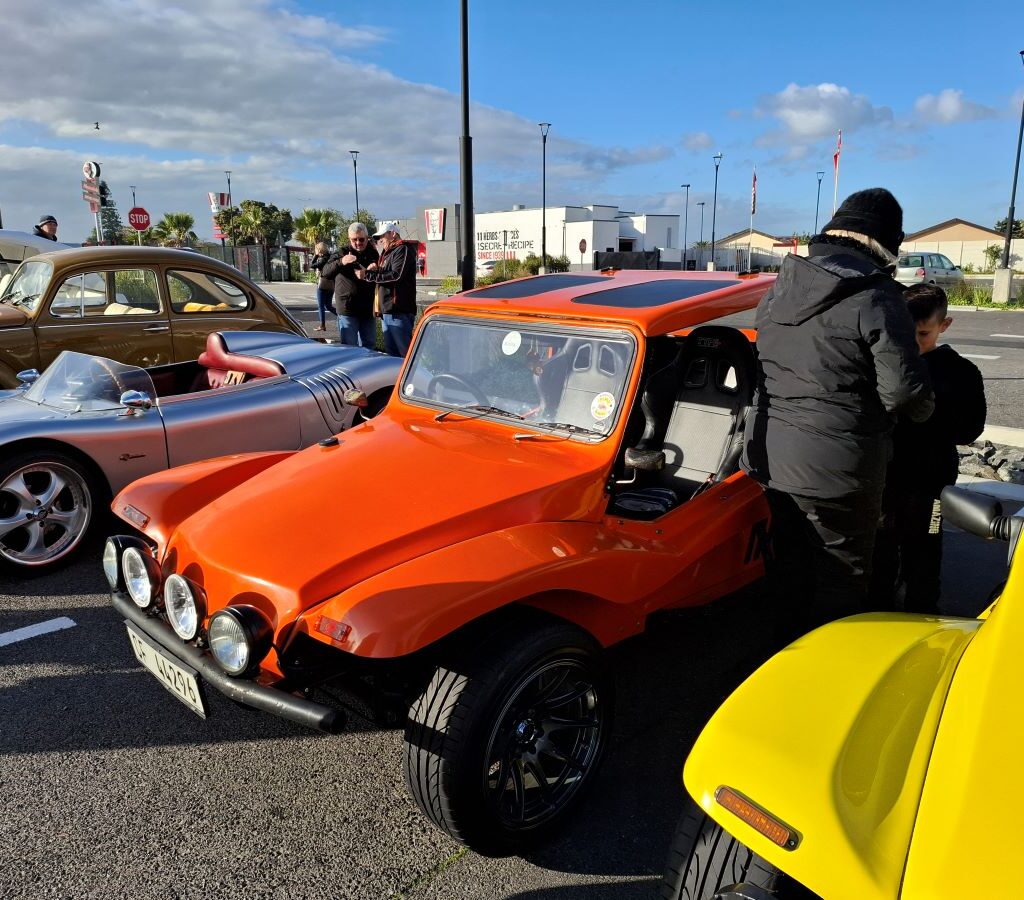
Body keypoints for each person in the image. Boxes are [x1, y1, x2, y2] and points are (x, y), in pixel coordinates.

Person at [741, 187, 934, 642]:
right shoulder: (876, 296)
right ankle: (827, 684)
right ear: (886, 243)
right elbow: (907, 394)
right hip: (839, 470)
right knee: (840, 583)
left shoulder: (778, 289)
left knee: (791, 571)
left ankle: (780, 662)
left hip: (771, 458)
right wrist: (927, 408)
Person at [873, 283, 986, 613]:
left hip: (931, 482)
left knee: (925, 549)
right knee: (880, 549)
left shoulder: (962, 372)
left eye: (922, 334)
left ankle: (921, 612)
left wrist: (928, 413)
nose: (913, 343)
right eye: (906, 334)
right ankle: (877, 610)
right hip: (886, 478)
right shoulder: (887, 363)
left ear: (944, 325)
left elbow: (969, 430)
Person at [358, 222, 417, 357]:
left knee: (405, 354)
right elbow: (389, 273)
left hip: (398, 310)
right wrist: (377, 269)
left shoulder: (403, 249)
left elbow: (396, 276)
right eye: (378, 238)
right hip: (388, 310)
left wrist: (368, 274)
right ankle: (398, 377)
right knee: (392, 354)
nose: (380, 240)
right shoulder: (388, 252)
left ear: (393, 234)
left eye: (382, 236)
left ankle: (413, 378)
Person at [322, 223, 379, 348]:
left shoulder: (373, 253)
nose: (358, 242)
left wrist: (374, 270)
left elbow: (380, 276)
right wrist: (341, 262)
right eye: (354, 239)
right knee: (349, 346)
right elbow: (325, 272)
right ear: (349, 239)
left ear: (367, 238)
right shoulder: (342, 252)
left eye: (361, 239)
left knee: (369, 345)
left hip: (368, 308)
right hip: (348, 308)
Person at [308, 241, 335, 333]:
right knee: (328, 306)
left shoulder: (323, 259)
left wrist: (315, 255)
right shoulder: (331, 257)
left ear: (319, 250)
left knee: (321, 306)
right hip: (331, 284)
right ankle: (341, 316)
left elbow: (311, 265)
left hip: (322, 284)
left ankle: (322, 325)